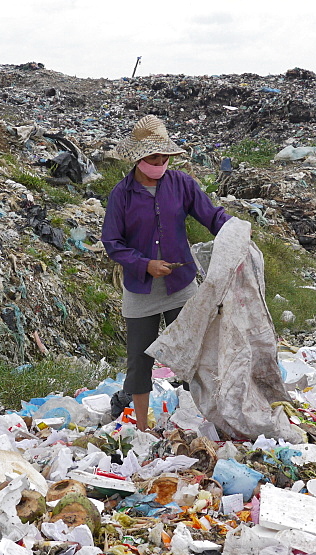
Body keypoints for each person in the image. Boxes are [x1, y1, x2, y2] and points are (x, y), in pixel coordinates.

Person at [101, 115, 230, 431]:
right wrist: (145, 264)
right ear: (138, 158)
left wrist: (233, 230)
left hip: (180, 284)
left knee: (192, 354)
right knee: (139, 361)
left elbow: (210, 216)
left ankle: (199, 419)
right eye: (153, 157)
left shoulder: (181, 184)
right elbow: (112, 242)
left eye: (164, 157)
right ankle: (143, 429)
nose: (160, 162)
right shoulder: (123, 194)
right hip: (141, 289)